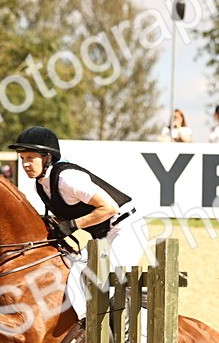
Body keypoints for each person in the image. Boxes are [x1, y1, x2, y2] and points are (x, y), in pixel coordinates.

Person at [8, 125, 145, 317]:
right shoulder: (42, 185)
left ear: (47, 157)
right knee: (75, 271)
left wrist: (73, 225)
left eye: (31, 157)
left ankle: (132, 324)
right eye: (22, 159)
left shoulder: (67, 178)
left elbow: (109, 208)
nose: (25, 164)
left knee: (105, 279)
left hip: (126, 227)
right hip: (102, 235)